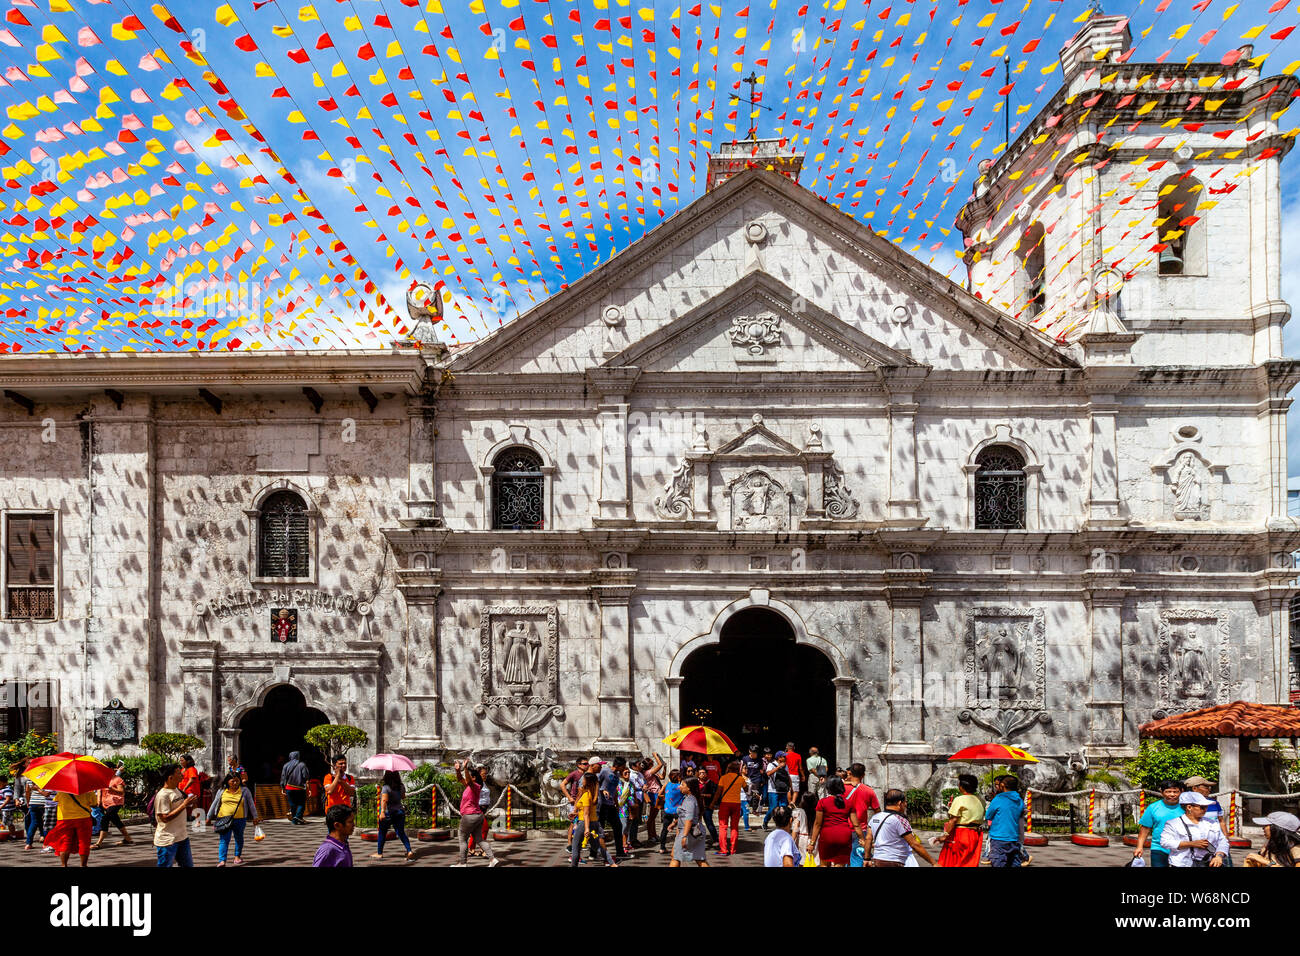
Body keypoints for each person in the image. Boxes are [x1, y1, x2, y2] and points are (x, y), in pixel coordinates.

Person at [863, 789, 937, 867]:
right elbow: (914, 844)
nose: (906, 805)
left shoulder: (875, 817)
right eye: (905, 802)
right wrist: (933, 863)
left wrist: (867, 858)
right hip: (894, 861)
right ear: (899, 803)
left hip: (878, 860)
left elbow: (868, 839)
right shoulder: (900, 820)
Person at [1160, 791, 1229, 867]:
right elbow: (1165, 842)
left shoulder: (1212, 823)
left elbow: (1223, 841)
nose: (1205, 809)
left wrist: (1219, 856)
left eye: (1206, 807)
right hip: (1183, 864)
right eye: (1202, 807)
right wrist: (1191, 844)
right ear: (1189, 807)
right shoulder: (1173, 824)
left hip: (1208, 863)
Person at [206, 771, 260, 867]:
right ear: (227, 781)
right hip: (224, 819)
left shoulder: (245, 790)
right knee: (224, 840)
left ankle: (237, 856)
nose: (235, 783)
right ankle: (222, 860)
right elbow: (214, 803)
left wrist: (255, 817)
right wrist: (209, 817)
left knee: (239, 838)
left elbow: (251, 804)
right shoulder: (222, 791)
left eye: (237, 781)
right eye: (232, 781)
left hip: (240, 819)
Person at [452, 760, 498, 867]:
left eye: (470, 777)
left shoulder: (475, 786)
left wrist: (466, 768)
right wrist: (458, 770)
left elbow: (468, 779)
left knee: (462, 839)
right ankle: (492, 859)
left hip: (469, 816)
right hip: (477, 816)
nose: (467, 778)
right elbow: (460, 779)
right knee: (480, 840)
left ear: (473, 778)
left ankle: (463, 863)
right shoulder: (470, 786)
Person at [810, 776, 862, 867]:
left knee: (824, 864)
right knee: (840, 864)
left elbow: (817, 824)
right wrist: (862, 839)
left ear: (828, 788)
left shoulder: (822, 802)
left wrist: (812, 843)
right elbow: (856, 825)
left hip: (827, 836)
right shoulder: (848, 803)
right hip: (844, 836)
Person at [153, 764, 197, 868]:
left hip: (182, 838)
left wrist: (190, 803)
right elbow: (164, 818)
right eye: (178, 772)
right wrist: (184, 805)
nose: (182, 774)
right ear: (170, 777)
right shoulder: (162, 795)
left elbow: (180, 807)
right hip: (168, 841)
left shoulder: (176, 790)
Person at [936, 773, 984, 867]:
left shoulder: (959, 799)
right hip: (976, 834)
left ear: (962, 787)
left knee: (956, 861)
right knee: (970, 861)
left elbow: (953, 820)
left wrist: (945, 835)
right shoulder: (980, 799)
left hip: (962, 833)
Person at [1134, 780, 1185, 868]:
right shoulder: (1153, 808)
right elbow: (1145, 829)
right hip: (1159, 848)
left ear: (1182, 792)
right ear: (1161, 792)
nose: (1172, 794)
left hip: (1182, 848)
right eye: (1168, 792)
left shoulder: (1187, 807)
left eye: (1175, 792)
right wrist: (1139, 847)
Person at [569, 771, 616, 867]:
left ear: (587, 782)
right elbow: (587, 811)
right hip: (594, 823)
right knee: (597, 846)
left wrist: (586, 829)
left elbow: (586, 814)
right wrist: (576, 813)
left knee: (575, 847)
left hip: (584, 823)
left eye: (584, 779)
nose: (582, 781)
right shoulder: (592, 794)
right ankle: (612, 863)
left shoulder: (586, 796)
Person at [1183, 775, 1231, 865]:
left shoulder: (1214, 803)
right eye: (1206, 787)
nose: (1209, 789)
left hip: (1217, 847)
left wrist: (1226, 840)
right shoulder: (1183, 806)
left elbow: (1221, 821)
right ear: (1194, 788)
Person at [46, 788, 98, 867]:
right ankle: (83, 865)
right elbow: (94, 804)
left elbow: (56, 800)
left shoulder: (62, 791)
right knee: (84, 842)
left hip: (64, 819)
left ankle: (64, 865)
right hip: (83, 818)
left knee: (65, 842)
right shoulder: (88, 790)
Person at [985, 774, 1026, 867]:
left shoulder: (999, 798)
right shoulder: (1019, 799)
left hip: (999, 838)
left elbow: (988, 815)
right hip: (1014, 837)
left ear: (1002, 785)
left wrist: (994, 800)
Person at [845, 763, 881, 867]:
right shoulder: (869, 791)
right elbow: (877, 811)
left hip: (843, 828)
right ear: (863, 775)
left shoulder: (842, 789)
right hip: (861, 830)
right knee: (858, 857)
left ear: (850, 773)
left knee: (844, 857)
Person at [372, 770, 414, 861]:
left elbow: (384, 801)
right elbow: (403, 797)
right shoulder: (401, 786)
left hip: (388, 813)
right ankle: (409, 850)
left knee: (382, 832)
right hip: (399, 811)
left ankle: (379, 853)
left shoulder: (386, 787)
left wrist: (382, 812)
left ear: (386, 776)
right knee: (401, 832)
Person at [671, 775, 709, 867]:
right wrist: (675, 823)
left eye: (682, 784)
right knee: (699, 859)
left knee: (675, 856)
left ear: (689, 788)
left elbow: (689, 819)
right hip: (693, 832)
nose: (680, 786)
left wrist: (684, 836)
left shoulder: (690, 800)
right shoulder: (691, 798)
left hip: (688, 832)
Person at [92, 763, 132, 848]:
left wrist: (111, 788)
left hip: (116, 802)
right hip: (105, 803)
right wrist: (98, 800)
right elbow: (100, 790)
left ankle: (99, 843)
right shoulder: (103, 779)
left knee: (105, 819)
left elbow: (121, 792)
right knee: (116, 821)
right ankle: (128, 838)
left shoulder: (117, 779)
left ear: (111, 769)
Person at [713, 759, 746, 855]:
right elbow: (746, 788)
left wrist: (713, 803)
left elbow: (718, 792)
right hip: (736, 804)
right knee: (734, 827)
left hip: (725, 804)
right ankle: (733, 850)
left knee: (723, 826)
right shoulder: (740, 779)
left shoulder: (723, 777)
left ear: (729, 768)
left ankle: (723, 850)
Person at [598, 756, 628, 859]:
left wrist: (616, 803)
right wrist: (601, 791)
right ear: (618, 766)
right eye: (623, 766)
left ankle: (619, 851)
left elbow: (614, 790)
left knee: (618, 826)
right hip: (602, 803)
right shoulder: (605, 771)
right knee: (600, 828)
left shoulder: (617, 774)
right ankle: (596, 852)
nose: (625, 768)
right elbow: (596, 783)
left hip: (611, 804)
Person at [762, 752, 792, 828]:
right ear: (778, 757)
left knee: (784, 808)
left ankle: (781, 825)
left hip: (783, 790)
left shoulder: (786, 766)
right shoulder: (771, 764)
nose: (785, 758)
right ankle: (765, 821)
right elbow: (768, 774)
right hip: (773, 790)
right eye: (783, 757)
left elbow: (788, 777)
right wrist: (778, 767)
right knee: (774, 808)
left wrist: (790, 787)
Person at [280, 750, 310, 824]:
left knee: (292, 804)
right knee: (301, 803)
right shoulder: (302, 765)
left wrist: (282, 787)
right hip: (300, 788)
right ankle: (298, 817)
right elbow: (306, 776)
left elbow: (283, 777)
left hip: (289, 788)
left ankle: (294, 819)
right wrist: (308, 788)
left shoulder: (286, 765)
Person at [658, 768, 682, 853]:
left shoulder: (666, 785)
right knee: (680, 830)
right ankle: (679, 847)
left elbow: (659, 794)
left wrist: (666, 798)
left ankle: (662, 848)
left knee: (665, 829)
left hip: (667, 810)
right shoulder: (681, 786)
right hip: (677, 811)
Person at [695, 765, 719, 847]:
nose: (702, 774)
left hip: (707, 806)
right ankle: (696, 840)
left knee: (709, 823)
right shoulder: (695, 783)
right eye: (700, 773)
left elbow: (714, 794)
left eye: (704, 773)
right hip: (696, 806)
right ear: (698, 774)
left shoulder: (711, 783)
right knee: (695, 823)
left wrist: (704, 795)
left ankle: (716, 839)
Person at [792, 790, 818, 864]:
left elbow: (795, 828)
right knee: (813, 862)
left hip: (802, 839)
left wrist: (791, 841)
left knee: (802, 862)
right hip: (814, 839)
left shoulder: (799, 811)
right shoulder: (817, 812)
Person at [643, 755, 664, 843]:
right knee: (651, 817)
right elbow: (660, 765)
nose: (653, 764)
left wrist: (665, 767)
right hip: (653, 794)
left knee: (653, 816)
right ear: (650, 765)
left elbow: (662, 777)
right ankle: (650, 836)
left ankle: (654, 835)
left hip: (656, 794)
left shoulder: (650, 772)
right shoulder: (648, 772)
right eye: (652, 762)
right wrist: (655, 755)